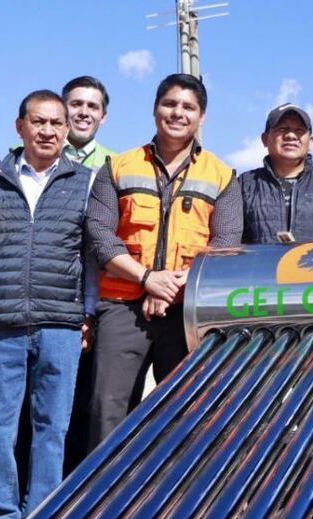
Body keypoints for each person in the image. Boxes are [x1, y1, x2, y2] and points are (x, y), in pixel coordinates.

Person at [85, 73, 242, 446]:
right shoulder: (118, 166)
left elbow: (225, 242)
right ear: (156, 109)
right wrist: (147, 279)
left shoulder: (222, 175)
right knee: (108, 408)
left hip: (186, 310)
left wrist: (171, 285)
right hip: (122, 307)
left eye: (188, 107)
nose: (178, 112)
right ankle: (105, 498)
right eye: (170, 104)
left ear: (201, 117)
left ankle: (174, 500)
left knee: (186, 410)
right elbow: (100, 237)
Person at [0, 90, 93, 519]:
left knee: (52, 425)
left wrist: (87, 314)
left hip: (60, 322)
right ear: (19, 125)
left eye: (56, 123)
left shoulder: (84, 182)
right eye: (38, 122)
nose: (48, 131)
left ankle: (41, 515)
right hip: (0, 321)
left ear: (67, 130)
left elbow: (91, 256)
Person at [14, 75, 117, 481]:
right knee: (29, 407)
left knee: (82, 404)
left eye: (92, 107)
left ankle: (71, 491)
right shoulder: (21, 158)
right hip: (32, 303)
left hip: (86, 302)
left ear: (103, 117)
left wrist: (90, 310)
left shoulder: (114, 166)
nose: (83, 113)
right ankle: (28, 493)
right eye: (76, 105)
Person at [239, 103, 313, 243]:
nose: (291, 135)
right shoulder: (244, 184)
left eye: (299, 130)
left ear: (310, 142)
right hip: (261, 265)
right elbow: (230, 240)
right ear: (265, 139)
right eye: (282, 129)